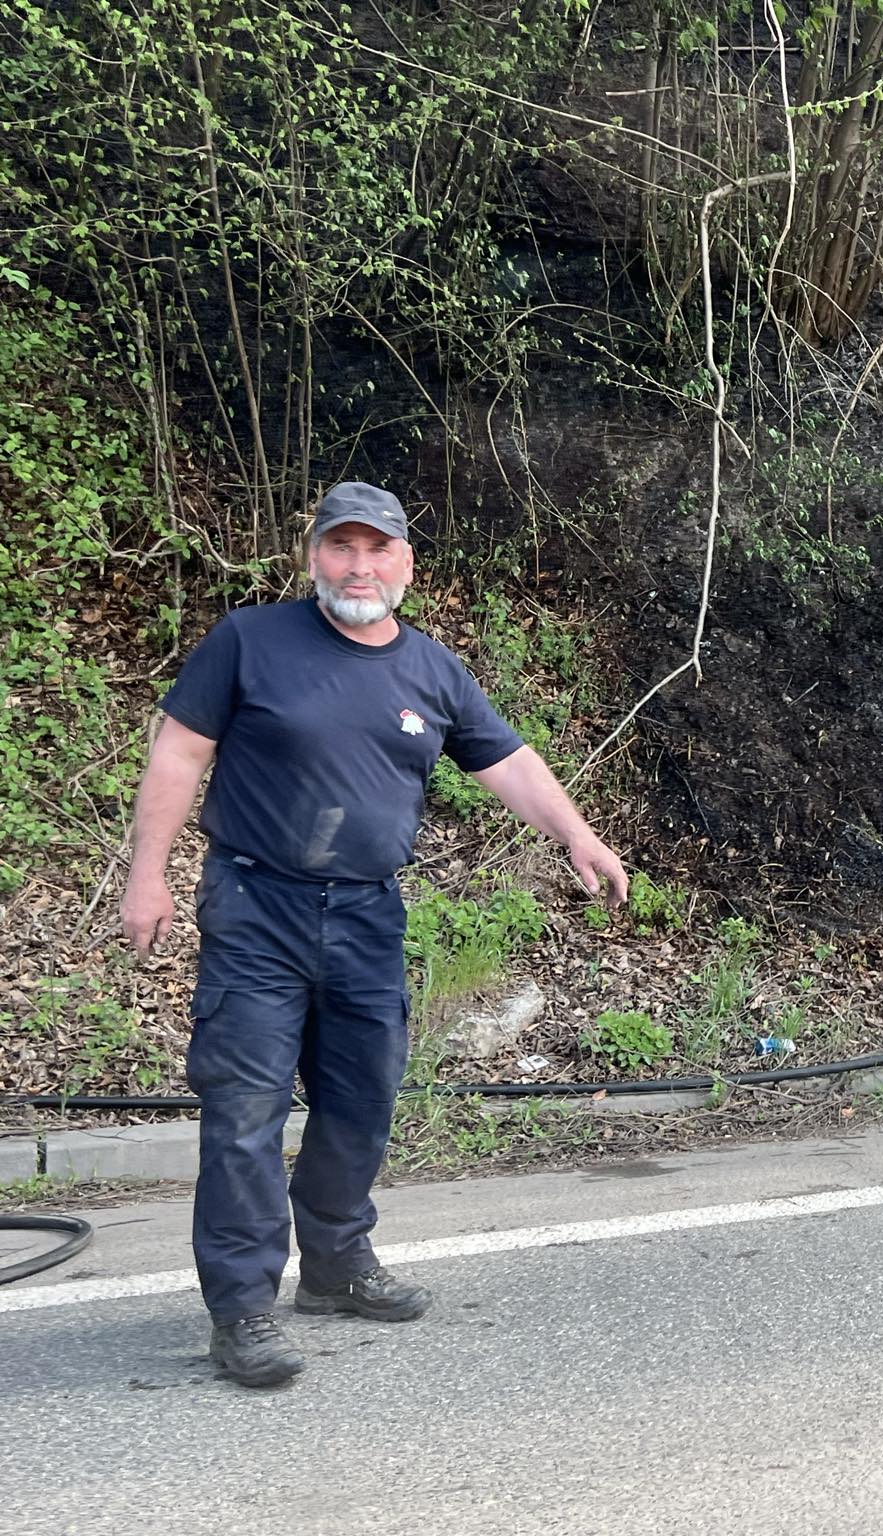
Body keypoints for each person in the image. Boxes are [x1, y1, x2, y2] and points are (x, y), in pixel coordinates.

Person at [118, 481, 630, 1388]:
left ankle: (335, 1265)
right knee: (245, 1113)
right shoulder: (251, 641)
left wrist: (577, 834)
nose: (358, 566)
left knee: (362, 1100)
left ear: (404, 564)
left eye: (376, 549)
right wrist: (146, 874)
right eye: (340, 548)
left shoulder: (429, 669)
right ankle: (241, 1308)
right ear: (312, 555)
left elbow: (505, 759)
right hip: (256, 906)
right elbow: (180, 752)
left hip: (365, 913)